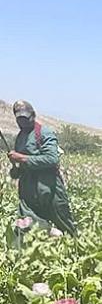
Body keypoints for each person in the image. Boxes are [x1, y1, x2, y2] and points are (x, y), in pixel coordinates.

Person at [7, 100, 77, 235]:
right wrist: (15, 168)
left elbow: (52, 159)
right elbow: (18, 171)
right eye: (19, 120)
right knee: (25, 223)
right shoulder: (20, 137)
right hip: (28, 189)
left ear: (33, 115)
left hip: (48, 187)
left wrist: (21, 158)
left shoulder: (44, 133)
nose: (23, 123)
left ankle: (73, 248)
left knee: (64, 223)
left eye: (25, 119)